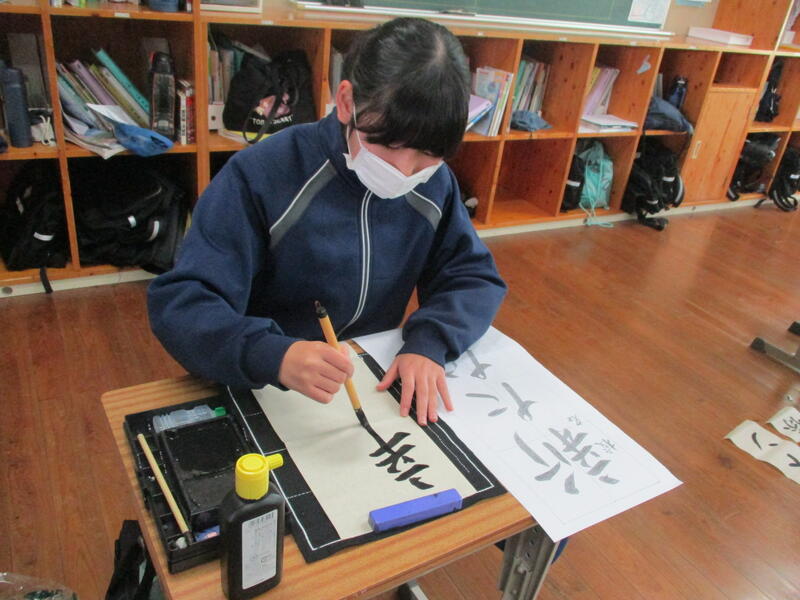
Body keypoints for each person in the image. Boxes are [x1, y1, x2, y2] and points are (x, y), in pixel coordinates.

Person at [147, 17, 506, 425]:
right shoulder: (262, 175)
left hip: (368, 378)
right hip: (263, 384)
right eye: (390, 145)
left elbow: (472, 276)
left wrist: (429, 342)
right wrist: (273, 354)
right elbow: (182, 304)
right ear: (347, 102)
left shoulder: (435, 183)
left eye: (428, 154)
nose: (406, 171)